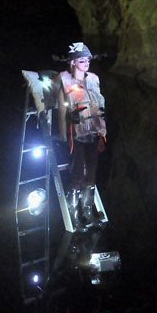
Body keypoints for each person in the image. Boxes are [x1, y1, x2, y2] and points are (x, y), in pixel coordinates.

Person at [55, 42, 107, 231]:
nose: (86, 63)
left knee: (92, 171)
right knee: (77, 172)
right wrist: (63, 135)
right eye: (82, 60)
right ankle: (74, 213)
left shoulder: (93, 79)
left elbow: (99, 106)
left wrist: (102, 131)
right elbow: (62, 112)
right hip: (76, 133)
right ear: (73, 62)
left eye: (88, 60)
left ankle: (87, 210)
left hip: (93, 131)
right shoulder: (64, 80)